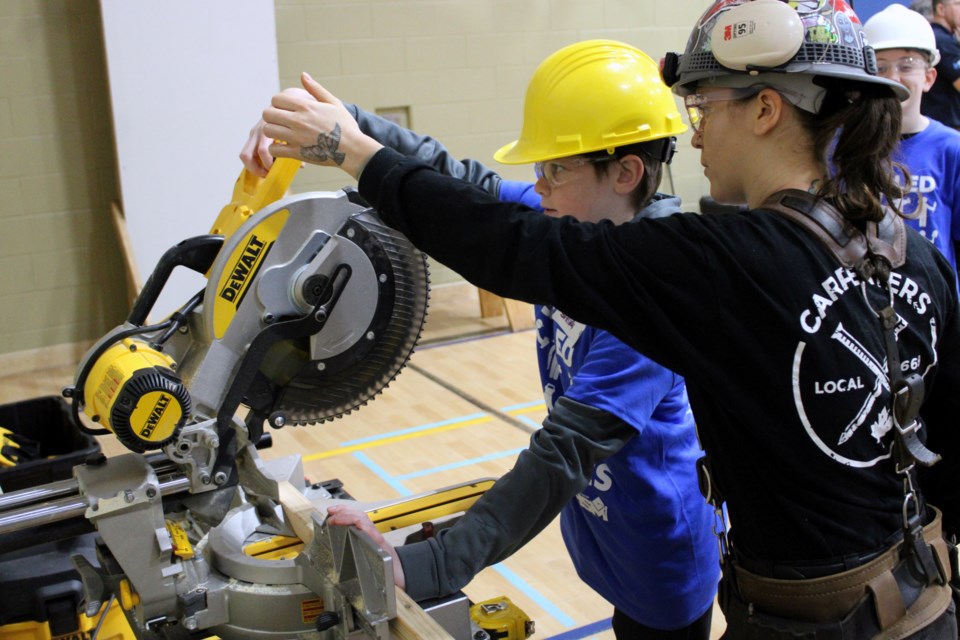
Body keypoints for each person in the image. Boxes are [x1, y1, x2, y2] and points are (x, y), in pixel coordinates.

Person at [257, 0, 960, 636]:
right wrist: (345, 128)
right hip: (917, 597)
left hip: (806, 622)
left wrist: (349, 151)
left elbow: (506, 245)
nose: (694, 136)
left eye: (704, 108)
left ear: (767, 109)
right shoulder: (915, 255)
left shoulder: (721, 265)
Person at [246, 41, 720, 638]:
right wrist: (343, 123)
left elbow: (561, 455)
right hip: (608, 534)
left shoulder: (654, 301)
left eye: (555, 168)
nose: (538, 186)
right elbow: (455, 180)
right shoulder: (567, 224)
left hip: (661, 560)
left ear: (625, 172)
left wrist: (431, 564)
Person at [865, 4, 960, 288]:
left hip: (935, 308)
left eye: (907, 65)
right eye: (880, 67)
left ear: (929, 77)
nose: (894, 78)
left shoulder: (951, 149)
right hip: (865, 304)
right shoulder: (842, 148)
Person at [921, 0, 960, 129]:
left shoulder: (932, 35)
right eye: (957, 4)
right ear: (941, 9)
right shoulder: (943, 42)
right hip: (946, 127)